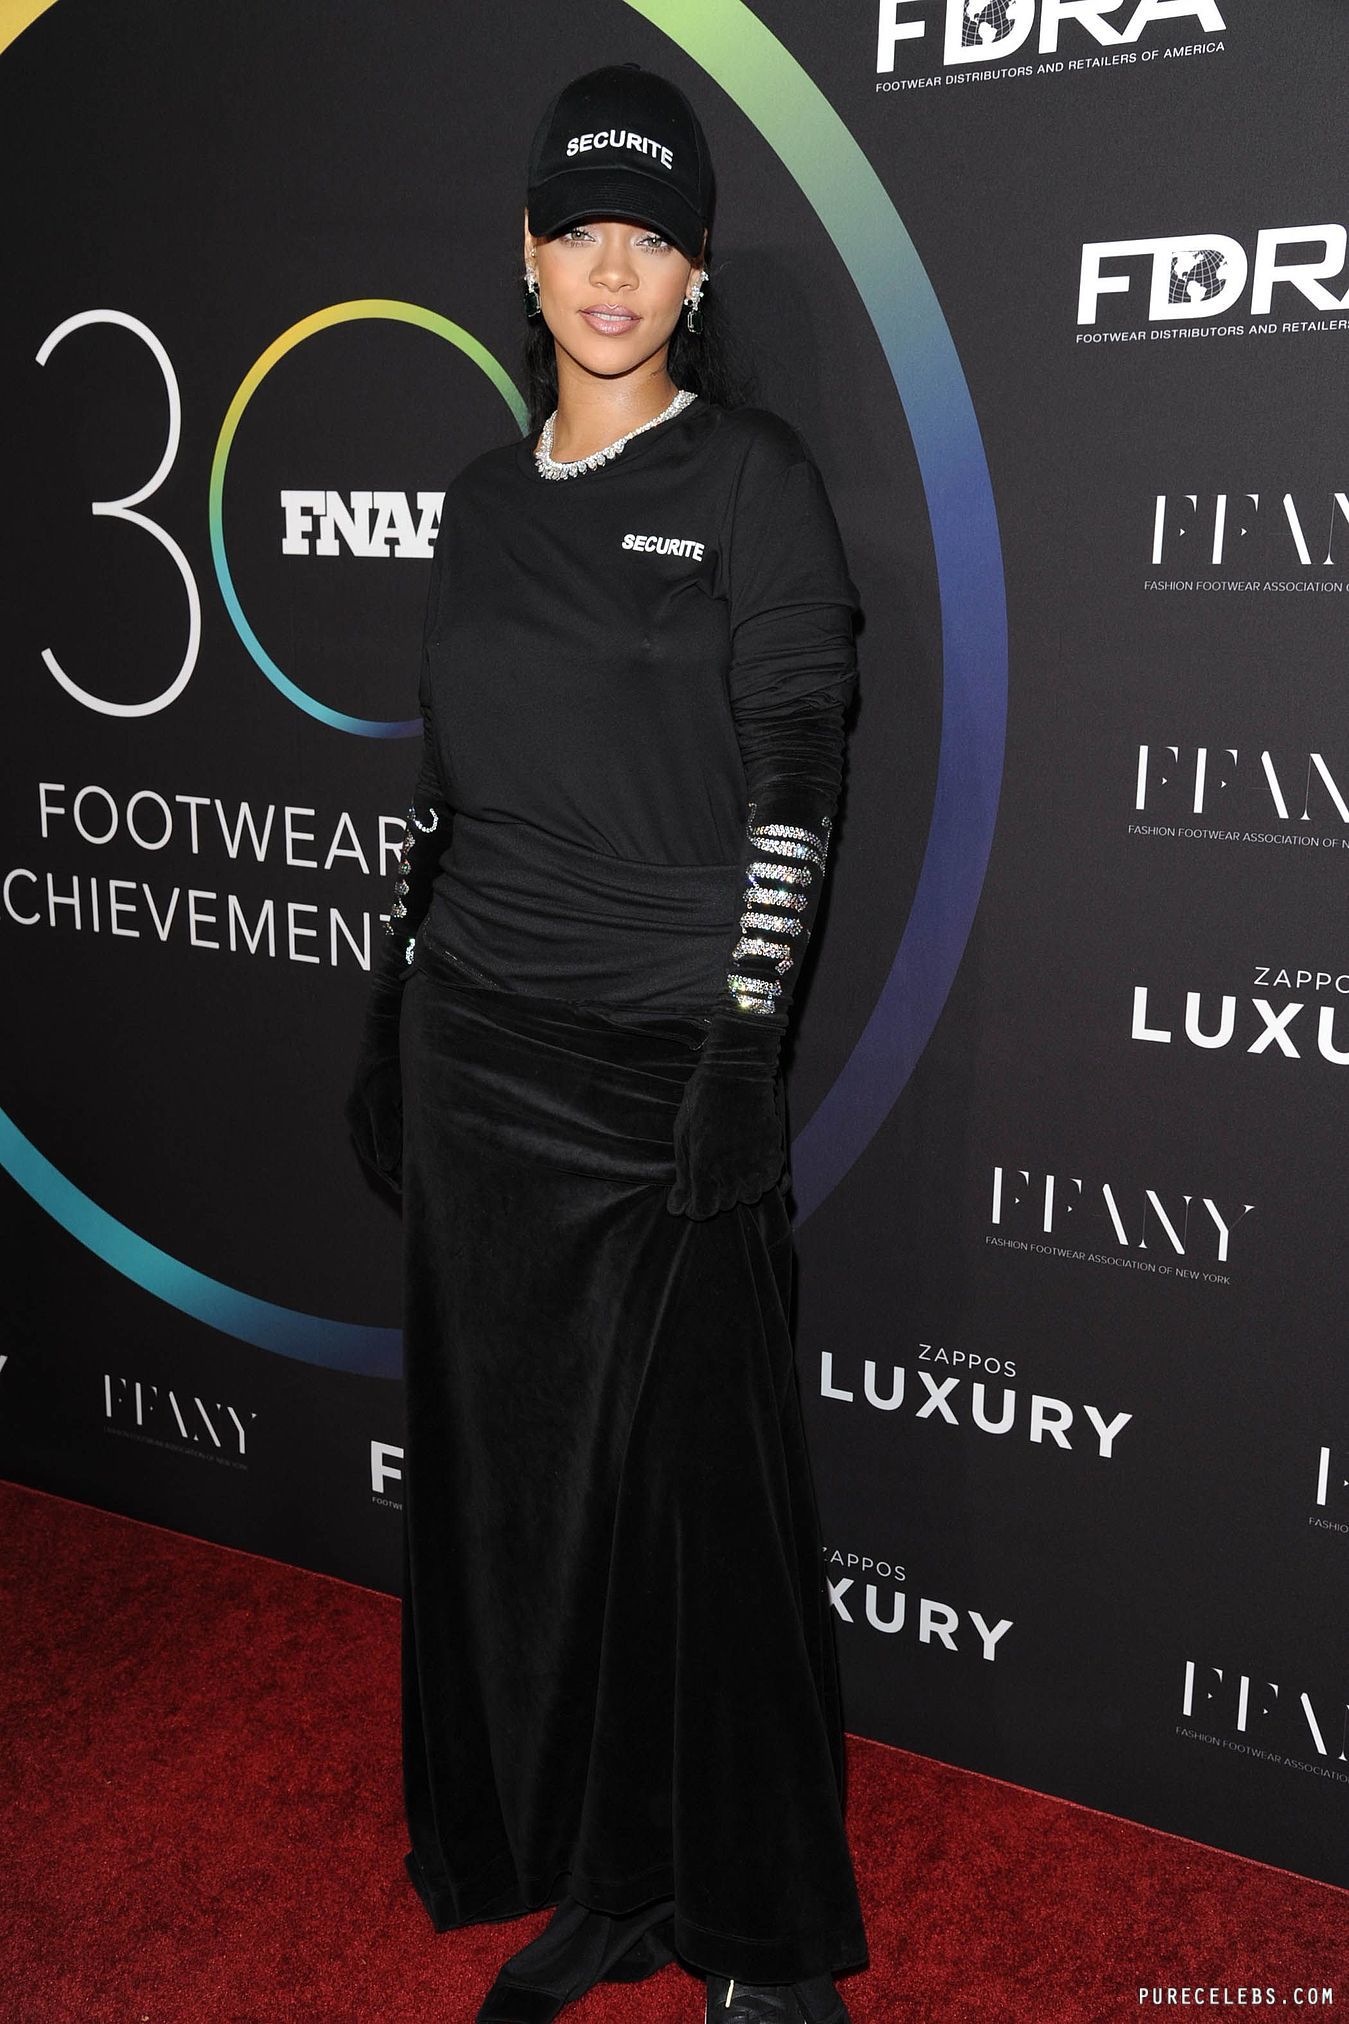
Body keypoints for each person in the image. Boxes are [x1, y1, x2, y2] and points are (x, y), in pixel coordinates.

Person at [344, 59, 868, 2024]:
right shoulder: (484, 502)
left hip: (668, 1069)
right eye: (581, 231)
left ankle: (756, 1938)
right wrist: (395, 999)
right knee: (519, 1497)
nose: (614, 270)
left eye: (652, 236)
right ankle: (588, 1862)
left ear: (700, 270)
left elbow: (797, 781)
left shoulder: (754, 483)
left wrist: (743, 1045)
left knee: (711, 1521)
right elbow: (454, 786)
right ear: (528, 255)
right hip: (483, 1055)